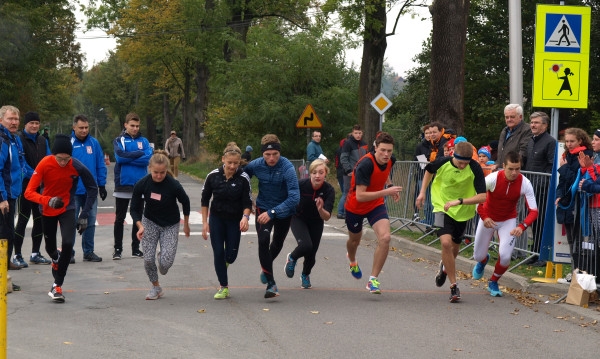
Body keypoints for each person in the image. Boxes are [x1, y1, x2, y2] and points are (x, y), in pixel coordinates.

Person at [25, 134, 98, 302]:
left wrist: (84, 214)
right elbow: (29, 192)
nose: (63, 162)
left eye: (67, 159)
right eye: (60, 159)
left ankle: (57, 285)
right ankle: (55, 258)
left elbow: (92, 188)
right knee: (51, 249)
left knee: (67, 244)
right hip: (47, 209)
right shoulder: (45, 163)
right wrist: (48, 200)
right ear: (53, 155)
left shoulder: (76, 166)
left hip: (67, 208)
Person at [416, 141, 487, 302]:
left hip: (462, 211)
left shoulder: (475, 168)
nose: (462, 166)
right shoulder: (442, 161)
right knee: (446, 243)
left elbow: (483, 196)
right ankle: (454, 287)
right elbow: (428, 171)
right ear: (453, 156)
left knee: (454, 247)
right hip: (441, 206)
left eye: (465, 163)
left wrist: (460, 201)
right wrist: (422, 193)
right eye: (460, 162)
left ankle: (445, 268)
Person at [472, 151, 538, 297]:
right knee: (477, 255)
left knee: (505, 256)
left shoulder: (525, 183)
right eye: (511, 169)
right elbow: (477, 199)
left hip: (508, 220)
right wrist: (485, 217)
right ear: (503, 166)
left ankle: (494, 281)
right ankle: (483, 261)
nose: (514, 173)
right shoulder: (493, 178)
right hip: (488, 219)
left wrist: (522, 226)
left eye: (518, 169)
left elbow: (534, 211)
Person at [344, 132, 402, 294]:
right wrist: (386, 191)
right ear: (375, 147)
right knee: (354, 241)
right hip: (356, 206)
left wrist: (390, 184)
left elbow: (385, 172)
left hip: (375, 204)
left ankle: (373, 280)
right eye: (383, 150)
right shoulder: (365, 165)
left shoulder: (391, 160)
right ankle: (352, 260)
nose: (386, 154)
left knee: (385, 238)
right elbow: (361, 196)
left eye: (389, 151)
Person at [244, 134, 300, 298]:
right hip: (263, 207)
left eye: (275, 154)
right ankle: (271, 283)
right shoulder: (255, 165)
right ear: (262, 154)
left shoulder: (287, 167)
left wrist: (273, 212)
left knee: (277, 244)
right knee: (263, 240)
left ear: (279, 152)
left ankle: (265, 267)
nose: (271, 158)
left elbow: (295, 197)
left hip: (283, 211)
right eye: (267, 154)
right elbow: (241, 177)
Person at [130, 150, 191, 300]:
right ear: (150, 168)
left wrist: (186, 224)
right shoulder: (142, 184)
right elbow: (134, 208)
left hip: (170, 224)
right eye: (156, 172)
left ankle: (162, 256)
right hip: (149, 222)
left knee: (165, 265)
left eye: (162, 173)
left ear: (166, 170)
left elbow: (186, 201)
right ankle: (155, 287)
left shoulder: (173, 184)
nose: (159, 176)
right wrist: (140, 226)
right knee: (148, 259)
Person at [201, 143, 252, 299]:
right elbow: (205, 200)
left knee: (230, 256)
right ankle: (224, 287)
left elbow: (247, 202)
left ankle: (225, 262)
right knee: (218, 252)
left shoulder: (243, 178)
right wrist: (205, 223)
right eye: (229, 162)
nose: (232, 166)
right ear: (223, 159)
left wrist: (245, 217)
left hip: (234, 220)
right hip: (216, 218)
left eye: (235, 163)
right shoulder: (212, 176)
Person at [285, 159, 335, 289]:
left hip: (316, 220)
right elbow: (287, 197)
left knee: (311, 254)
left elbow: (327, 216)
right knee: (306, 245)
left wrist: (320, 209)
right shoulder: (301, 184)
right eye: (314, 172)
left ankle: (305, 275)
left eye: (321, 172)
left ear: (325, 174)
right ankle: (292, 258)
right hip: (298, 218)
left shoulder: (329, 190)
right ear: (310, 174)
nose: (317, 176)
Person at [14, 111, 52, 268]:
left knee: (40, 220)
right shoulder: (19, 139)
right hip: (25, 186)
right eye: (32, 123)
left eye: (37, 123)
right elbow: (21, 164)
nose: (35, 126)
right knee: (23, 219)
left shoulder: (43, 140)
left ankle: (35, 253)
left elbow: (49, 159)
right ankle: (17, 255)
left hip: (40, 188)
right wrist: (38, 176)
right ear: (25, 124)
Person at [112, 112, 153, 260]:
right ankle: (117, 249)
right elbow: (119, 157)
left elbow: (148, 159)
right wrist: (139, 154)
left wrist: (131, 157)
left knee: (138, 217)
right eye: (132, 126)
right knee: (119, 218)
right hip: (123, 184)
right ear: (126, 125)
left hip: (140, 185)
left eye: (137, 126)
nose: (135, 128)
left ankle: (135, 248)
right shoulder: (119, 140)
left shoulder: (145, 141)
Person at [70, 114, 107, 263]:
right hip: (73, 191)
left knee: (90, 221)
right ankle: (69, 252)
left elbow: (100, 164)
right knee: (71, 222)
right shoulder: (69, 143)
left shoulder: (94, 143)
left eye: (86, 127)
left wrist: (102, 184)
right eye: (81, 128)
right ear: (74, 127)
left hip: (90, 191)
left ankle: (88, 251)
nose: (84, 130)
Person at [555, 128, 592, 270]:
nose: (569, 144)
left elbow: (574, 180)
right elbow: (562, 181)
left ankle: (579, 270)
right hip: (567, 201)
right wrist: (559, 195)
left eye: (572, 141)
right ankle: (575, 270)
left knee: (578, 240)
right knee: (571, 239)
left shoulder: (584, 156)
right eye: (567, 141)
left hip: (578, 202)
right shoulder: (567, 155)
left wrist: (563, 168)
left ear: (580, 141)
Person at [522, 111, 556, 266]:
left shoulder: (550, 142)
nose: (533, 125)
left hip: (542, 189)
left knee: (541, 221)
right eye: (532, 122)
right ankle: (534, 252)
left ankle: (542, 255)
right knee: (533, 221)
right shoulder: (531, 140)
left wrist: (542, 183)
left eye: (536, 122)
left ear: (545, 125)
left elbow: (551, 166)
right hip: (530, 188)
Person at [0, 106, 26, 292]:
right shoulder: (2, 141)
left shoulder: (15, 140)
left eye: (16, 119)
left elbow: (22, 167)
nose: (14, 122)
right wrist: (2, 198)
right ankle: (2, 279)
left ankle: (4, 275)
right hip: (4, 198)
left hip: (13, 195)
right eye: (10, 119)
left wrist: (41, 176)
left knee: (8, 235)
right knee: (4, 237)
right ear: (1, 120)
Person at [338, 125, 368, 219]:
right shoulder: (348, 143)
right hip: (349, 173)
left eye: (359, 133)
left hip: (360, 172)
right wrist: (348, 170)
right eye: (356, 133)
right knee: (347, 192)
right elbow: (343, 158)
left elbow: (366, 157)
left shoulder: (364, 143)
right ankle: (344, 212)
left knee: (358, 192)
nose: (358, 135)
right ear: (352, 133)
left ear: (362, 133)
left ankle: (355, 212)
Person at [496, 104, 532, 169]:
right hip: (503, 170)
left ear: (520, 117)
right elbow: (501, 151)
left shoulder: (527, 130)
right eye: (507, 117)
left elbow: (523, 152)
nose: (509, 119)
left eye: (512, 117)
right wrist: (497, 164)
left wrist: (512, 167)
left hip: (515, 172)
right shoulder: (504, 130)